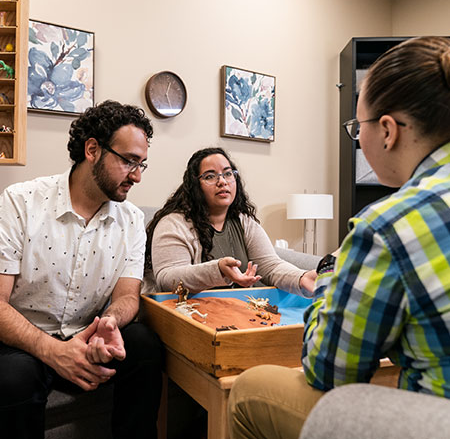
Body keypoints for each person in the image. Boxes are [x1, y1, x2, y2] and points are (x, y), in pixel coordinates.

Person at [228, 35, 450, 438]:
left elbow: (329, 370)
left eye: (356, 126)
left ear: (387, 131)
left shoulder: (388, 225)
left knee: (248, 390)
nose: (358, 138)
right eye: (212, 175)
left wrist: (330, 269)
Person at [0, 100, 163, 439]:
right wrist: (54, 351)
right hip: (23, 341)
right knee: (14, 377)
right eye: (129, 161)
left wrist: (110, 325)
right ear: (92, 150)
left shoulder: (132, 220)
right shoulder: (20, 201)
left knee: (144, 344)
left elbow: (128, 297)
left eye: (142, 165)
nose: (137, 176)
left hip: (88, 335)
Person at [143, 146, 316, 295]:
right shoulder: (173, 224)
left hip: (243, 311)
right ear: (195, 185)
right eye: (210, 176)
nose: (222, 182)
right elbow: (168, 279)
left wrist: (301, 278)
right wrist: (217, 269)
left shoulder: (244, 222)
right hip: (191, 317)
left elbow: (270, 266)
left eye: (227, 174)